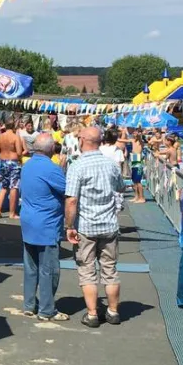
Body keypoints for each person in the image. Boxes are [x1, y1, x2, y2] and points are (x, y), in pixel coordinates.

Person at [64, 126, 123, 329]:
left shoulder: (77, 166)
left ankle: (92, 314)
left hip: (86, 226)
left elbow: (71, 200)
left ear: (82, 140)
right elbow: (120, 187)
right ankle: (113, 311)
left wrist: (69, 226)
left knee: (87, 270)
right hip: (109, 224)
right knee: (110, 269)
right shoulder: (111, 164)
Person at [20, 135, 68, 322]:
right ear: (51, 149)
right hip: (46, 224)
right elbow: (68, 190)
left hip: (28, 221)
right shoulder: (51, 168)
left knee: (31, 266)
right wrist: (62, 168)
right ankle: (47, 310)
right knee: (49, 269)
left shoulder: (27, 165)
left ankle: (29, 304)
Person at [0, 117, 26, 219]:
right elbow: (19, 153)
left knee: (3, 187)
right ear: (14, 126)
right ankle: (12, 213)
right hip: (13, 163)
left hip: (3, 162)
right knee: (14, 187)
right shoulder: (15, 137)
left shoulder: (0, 137)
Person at [129, 131, 146, 203]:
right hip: (134, 160)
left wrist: (138, 134)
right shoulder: (132, 141)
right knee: (134, 180)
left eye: (135, 133)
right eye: (133, 133)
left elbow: (139, 138)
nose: (134, 134)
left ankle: (142, 198)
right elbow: (122, 140)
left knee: (138, 181)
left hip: (138, 162)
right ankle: (136, 196)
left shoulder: (141, 142)